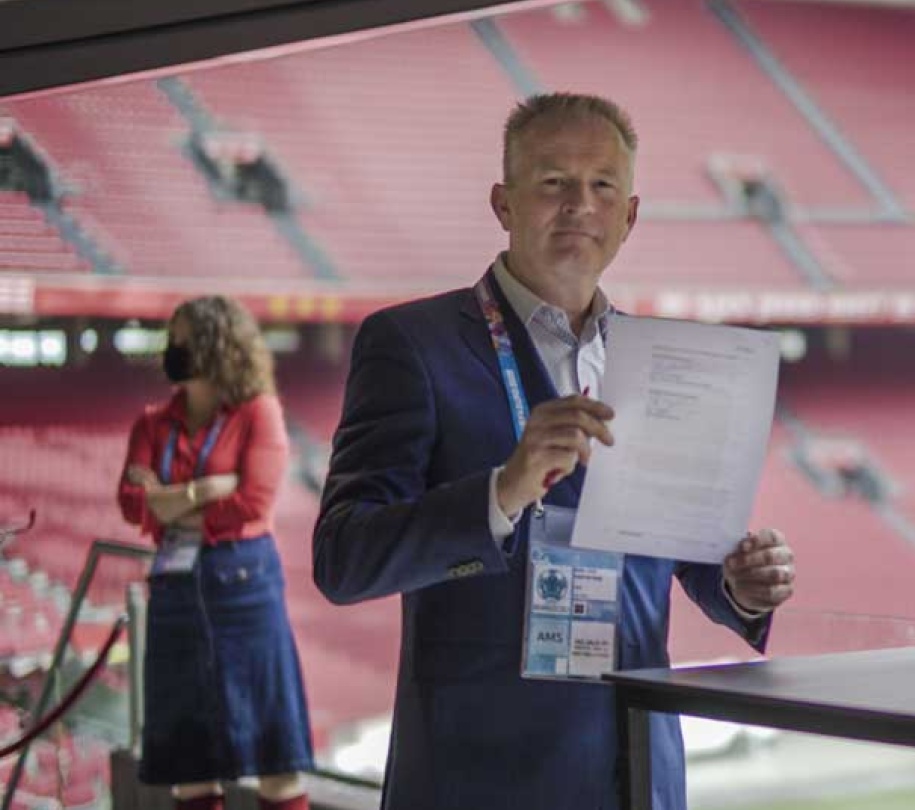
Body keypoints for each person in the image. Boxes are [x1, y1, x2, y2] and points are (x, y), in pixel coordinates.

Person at [312, 92, 797, 810]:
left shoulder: (667, 360)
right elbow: (343, 560)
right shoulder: (411, 345)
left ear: (629, 217)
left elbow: (689, 553)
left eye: (603, 185)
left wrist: (740, 586)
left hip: (636, 767)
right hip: (480, 776)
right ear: (503, 204)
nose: (580, 205)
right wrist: (503, 490)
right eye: (553, 182)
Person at [117, 296, 313, 810]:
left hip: (246, 592)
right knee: (190, 765)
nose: (172, 349)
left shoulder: (258, 413)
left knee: (276, 760)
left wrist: (167, 499)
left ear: (214, 345)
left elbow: (251, 502)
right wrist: (205, 490)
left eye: (181, 340)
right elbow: (130, 502)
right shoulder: (151, 422)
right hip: (175, 594)